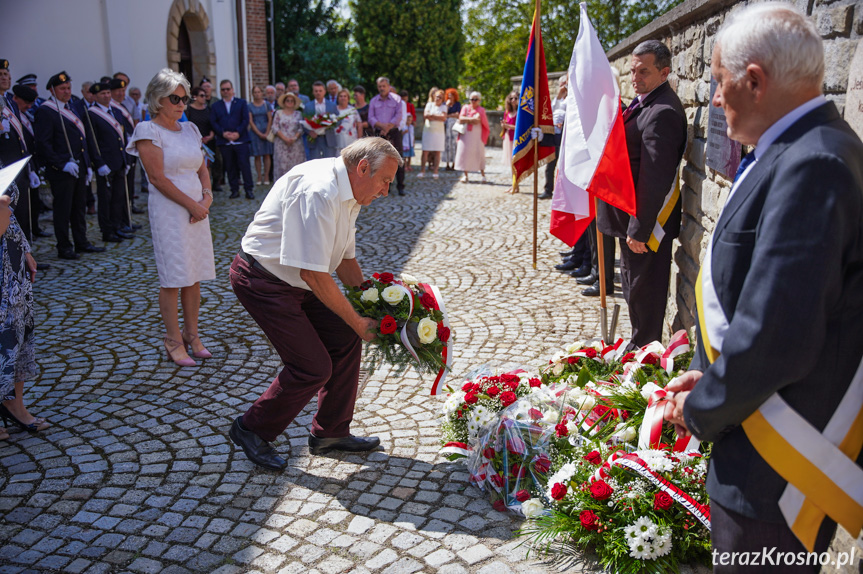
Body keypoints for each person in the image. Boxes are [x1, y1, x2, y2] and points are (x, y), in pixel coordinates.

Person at [663, 5, 863, 570]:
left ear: (755, 81)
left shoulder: (814, 161)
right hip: (758, 431)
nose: (717, 96)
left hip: (777, 461)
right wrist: (712, 372)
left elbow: (782, 331)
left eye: (720, 82)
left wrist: (699, 406)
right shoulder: (801, 147)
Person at [227, 137, 401, 470]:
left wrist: (376, 304)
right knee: (312, 366)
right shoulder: (319, 191)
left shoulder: (349, 192)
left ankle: (330, 433)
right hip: (263, 280)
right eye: (385, 181)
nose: (386, 191)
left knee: (344, 336)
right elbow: (314, 275)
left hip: (295, 279)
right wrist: (358, 321)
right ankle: (250, 428)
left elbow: (345, 262)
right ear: (363, 168)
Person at [595, 40, 686, 338]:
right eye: (633, 71)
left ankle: (645, 356)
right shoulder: (646, 102)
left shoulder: (663, 112)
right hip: (633, 218)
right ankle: (638, 348)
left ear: (664, 72)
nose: (635, 78)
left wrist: (639, 229)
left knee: (644, 295)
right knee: (635, 291)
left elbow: (654, 178)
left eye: (643, 72)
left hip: (647, 225)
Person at [126, 69, 216, 367]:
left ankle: (193, 335)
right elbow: (157, 178)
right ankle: (173, 340)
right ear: (157, 99)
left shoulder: (190, 128)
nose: (181, 104)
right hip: (170, 208)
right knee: (173, 276)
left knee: (194, 274)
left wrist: (206, 196)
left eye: (184, 98)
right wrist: (192, 205)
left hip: (196, 206)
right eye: (174, 98)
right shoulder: (147, 131)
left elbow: (202, 167)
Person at [34, 71, 104, 260]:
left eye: (68, 88)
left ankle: (81, 242)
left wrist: (87, 164)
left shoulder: (71, 107)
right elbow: (44, 144)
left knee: (79, 208)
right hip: (62, 170)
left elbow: (83, 139)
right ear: (52, 90)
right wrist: (60, 163)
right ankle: (64, 246)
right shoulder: (46, 111)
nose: (66, 91)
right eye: (62, 88)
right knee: (63, 210)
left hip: (78, 167)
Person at [0, 168, 47, 435]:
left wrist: (25, 248)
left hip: (12, 259)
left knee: (18, 333)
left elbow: (10, 213)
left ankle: (14, 403)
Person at [87, 81, 132, 244]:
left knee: (118, 197)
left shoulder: (115, 111)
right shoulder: (92, 114)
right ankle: (107, 231)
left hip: (119, 161)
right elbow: (92, 141)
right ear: (95, 96)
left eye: (107, 93)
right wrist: (99, 163)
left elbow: (122, 136)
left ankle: (117, 226)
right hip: (105, 163)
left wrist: (126, 159)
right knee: (105, 200)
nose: (106, 96)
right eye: (102, 94)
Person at [210, 79, 255, 200]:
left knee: (244, 165)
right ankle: (234, 190)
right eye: (223, 89)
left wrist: (237, 132)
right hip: (224, 141)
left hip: (241, 140)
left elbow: (245, 119)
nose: (226, 91)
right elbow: (213, 122)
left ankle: (248, 189)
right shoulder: (216, 106)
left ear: (232, 90)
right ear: (220, 91)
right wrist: (223, 133)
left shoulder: (241, 103)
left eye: (228, 89)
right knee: (230, 166)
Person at [369, 77, 405, 195]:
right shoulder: (374, 101)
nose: (382, 88)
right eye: (380, 86)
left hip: (393, 132)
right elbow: (371, 118)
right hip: (380, 133)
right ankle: (384, 187)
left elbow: (398, 116)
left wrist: (387, 128)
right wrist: (382, 127)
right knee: (381, 161)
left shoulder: (396, 99)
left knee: (398, 159)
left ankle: (400, 186)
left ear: (388, 86)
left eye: (384, 86)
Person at [539, 75, 567, 200]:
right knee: (551, 164)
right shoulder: (557, 101)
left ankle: (563, 192)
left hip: (565, 134)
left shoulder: (572, 99)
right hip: (554, 134)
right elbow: (550, 111)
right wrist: (559, 96)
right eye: (562, 84)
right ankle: (548, 189)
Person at [454, 91, 489, 183]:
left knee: (479, 153)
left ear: (479, 100)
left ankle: (483, 175)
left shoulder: (481, 110)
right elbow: (460, 118)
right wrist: (472, 119)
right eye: (472, 99)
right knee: (465, 153)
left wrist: (468, 119)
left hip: (477, 135)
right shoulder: (465, 108)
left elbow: (479, 121)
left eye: (475, 99)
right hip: (465, 134)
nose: (473, 101)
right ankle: (465, 175)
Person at [271, 92, 305, 180]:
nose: (289, 102)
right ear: (284, 102)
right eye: (287, 100)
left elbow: (301, 128)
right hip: (281, 144)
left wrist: (294, 138)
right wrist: (284, 138)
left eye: (291, 101)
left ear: (294, 103)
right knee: (281, 167)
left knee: (296, 167)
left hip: (295, 144)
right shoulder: (278, 113)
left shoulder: (298, 114)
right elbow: (275, 127)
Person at [304, 81, 339, 160]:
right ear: (313, 92)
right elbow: (303, 123)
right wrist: (309, 132)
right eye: (316, 91)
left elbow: (338, 120)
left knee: (329, 163)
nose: (318, 93)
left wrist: (331, 124)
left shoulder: (332, 105)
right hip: (314, 139)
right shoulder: (308, 106)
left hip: (328, 138)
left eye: (320, 91)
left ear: (324, 91)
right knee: (314, 163)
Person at [248, 85, 274, 186]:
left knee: (267, 155)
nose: (257, 94)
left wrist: (267, 132)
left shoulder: (266, 105)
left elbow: (270, 119)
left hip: (266, 130)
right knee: (257, 156)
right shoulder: (249, 106)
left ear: (262, 93)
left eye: (259, 92)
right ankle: (259, 176)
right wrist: (258, 133)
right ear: (252, 94)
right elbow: (250, 121)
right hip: (255, 133)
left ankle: (266, 176)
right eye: (255, 92)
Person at [419, 88, 446, 179]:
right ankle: (422, 171)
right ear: (434, 97)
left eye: (440, 98)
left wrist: (432, 116)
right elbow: (426, 115)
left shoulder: (443, 107)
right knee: (425, 151)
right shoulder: (429, 105)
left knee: (437, 152)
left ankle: (435, 171)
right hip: (428, 131)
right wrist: (437, 117)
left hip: (439, 132)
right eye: (437, 97)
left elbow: (443, 117)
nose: (438, 99)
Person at [500, 91, 518, 194]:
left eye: (515, 98)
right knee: (512, 163)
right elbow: (506, 124)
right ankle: (514, 185)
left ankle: (515, 185)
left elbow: (520, 128)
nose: (513, 100)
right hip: (508, 138)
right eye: (511, 98)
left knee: (515, 162)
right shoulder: (507, 112)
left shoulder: (520, 112)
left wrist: (508, 126)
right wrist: (504, 126)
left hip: (516, 139)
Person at [334, 89, 361, 154]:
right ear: (338, 98)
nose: (343, 98)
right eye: (341, 96)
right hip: (337, 140)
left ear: (348, 98)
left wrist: (359, 139)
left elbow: (359, 125)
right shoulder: (334, 110)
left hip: (351, 140)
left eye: (345, 96)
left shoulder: (353, 110)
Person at [443, 88, 461, 171]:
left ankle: (454, 163)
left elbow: (457, 115)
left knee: (454, 144)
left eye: (452, 95)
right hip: (447, 126)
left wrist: (448, 116)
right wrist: (446, 106)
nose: (450, 96)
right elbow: (443, 114)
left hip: (455, 125)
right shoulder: (445, 104)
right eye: (449, 95)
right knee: (447, 143)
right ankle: (447, 163)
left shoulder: (457, 104)